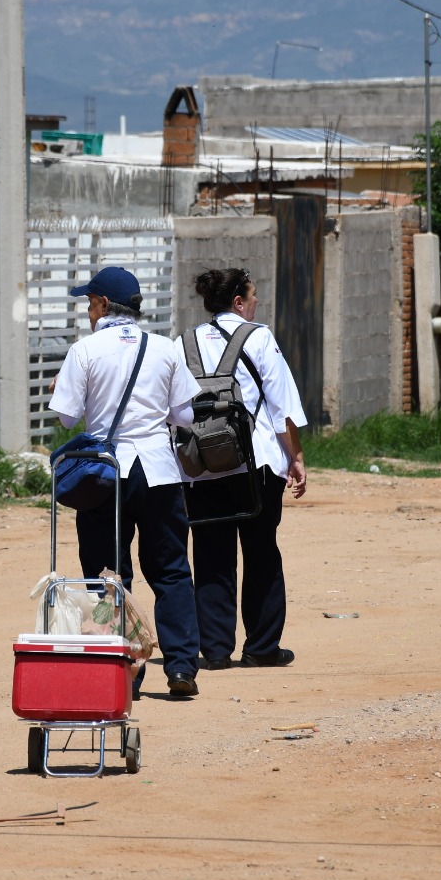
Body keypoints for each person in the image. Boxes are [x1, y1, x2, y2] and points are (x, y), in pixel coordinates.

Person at [48, 266, 204, 697]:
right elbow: (185, 416)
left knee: (108, 576)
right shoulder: (165, 348)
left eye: (88, 303)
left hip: (104, 475)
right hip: (158, 472)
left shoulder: (85, 351)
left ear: (100, 304)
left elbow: (65, 416)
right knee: (171, 571)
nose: (87, 312)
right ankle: (181, 668)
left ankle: (121, 672)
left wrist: (60, 385)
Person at [175, 268, 308, 671]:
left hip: (201, 469)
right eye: (252, 296)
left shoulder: (183, 343)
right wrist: (296, 457)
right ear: (237, 302)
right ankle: (262, 647)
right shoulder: (258, 337)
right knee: (262, 551)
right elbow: (282, 406)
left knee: (211, 555)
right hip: (257, 465)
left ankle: (214, 652)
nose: (256, 303)